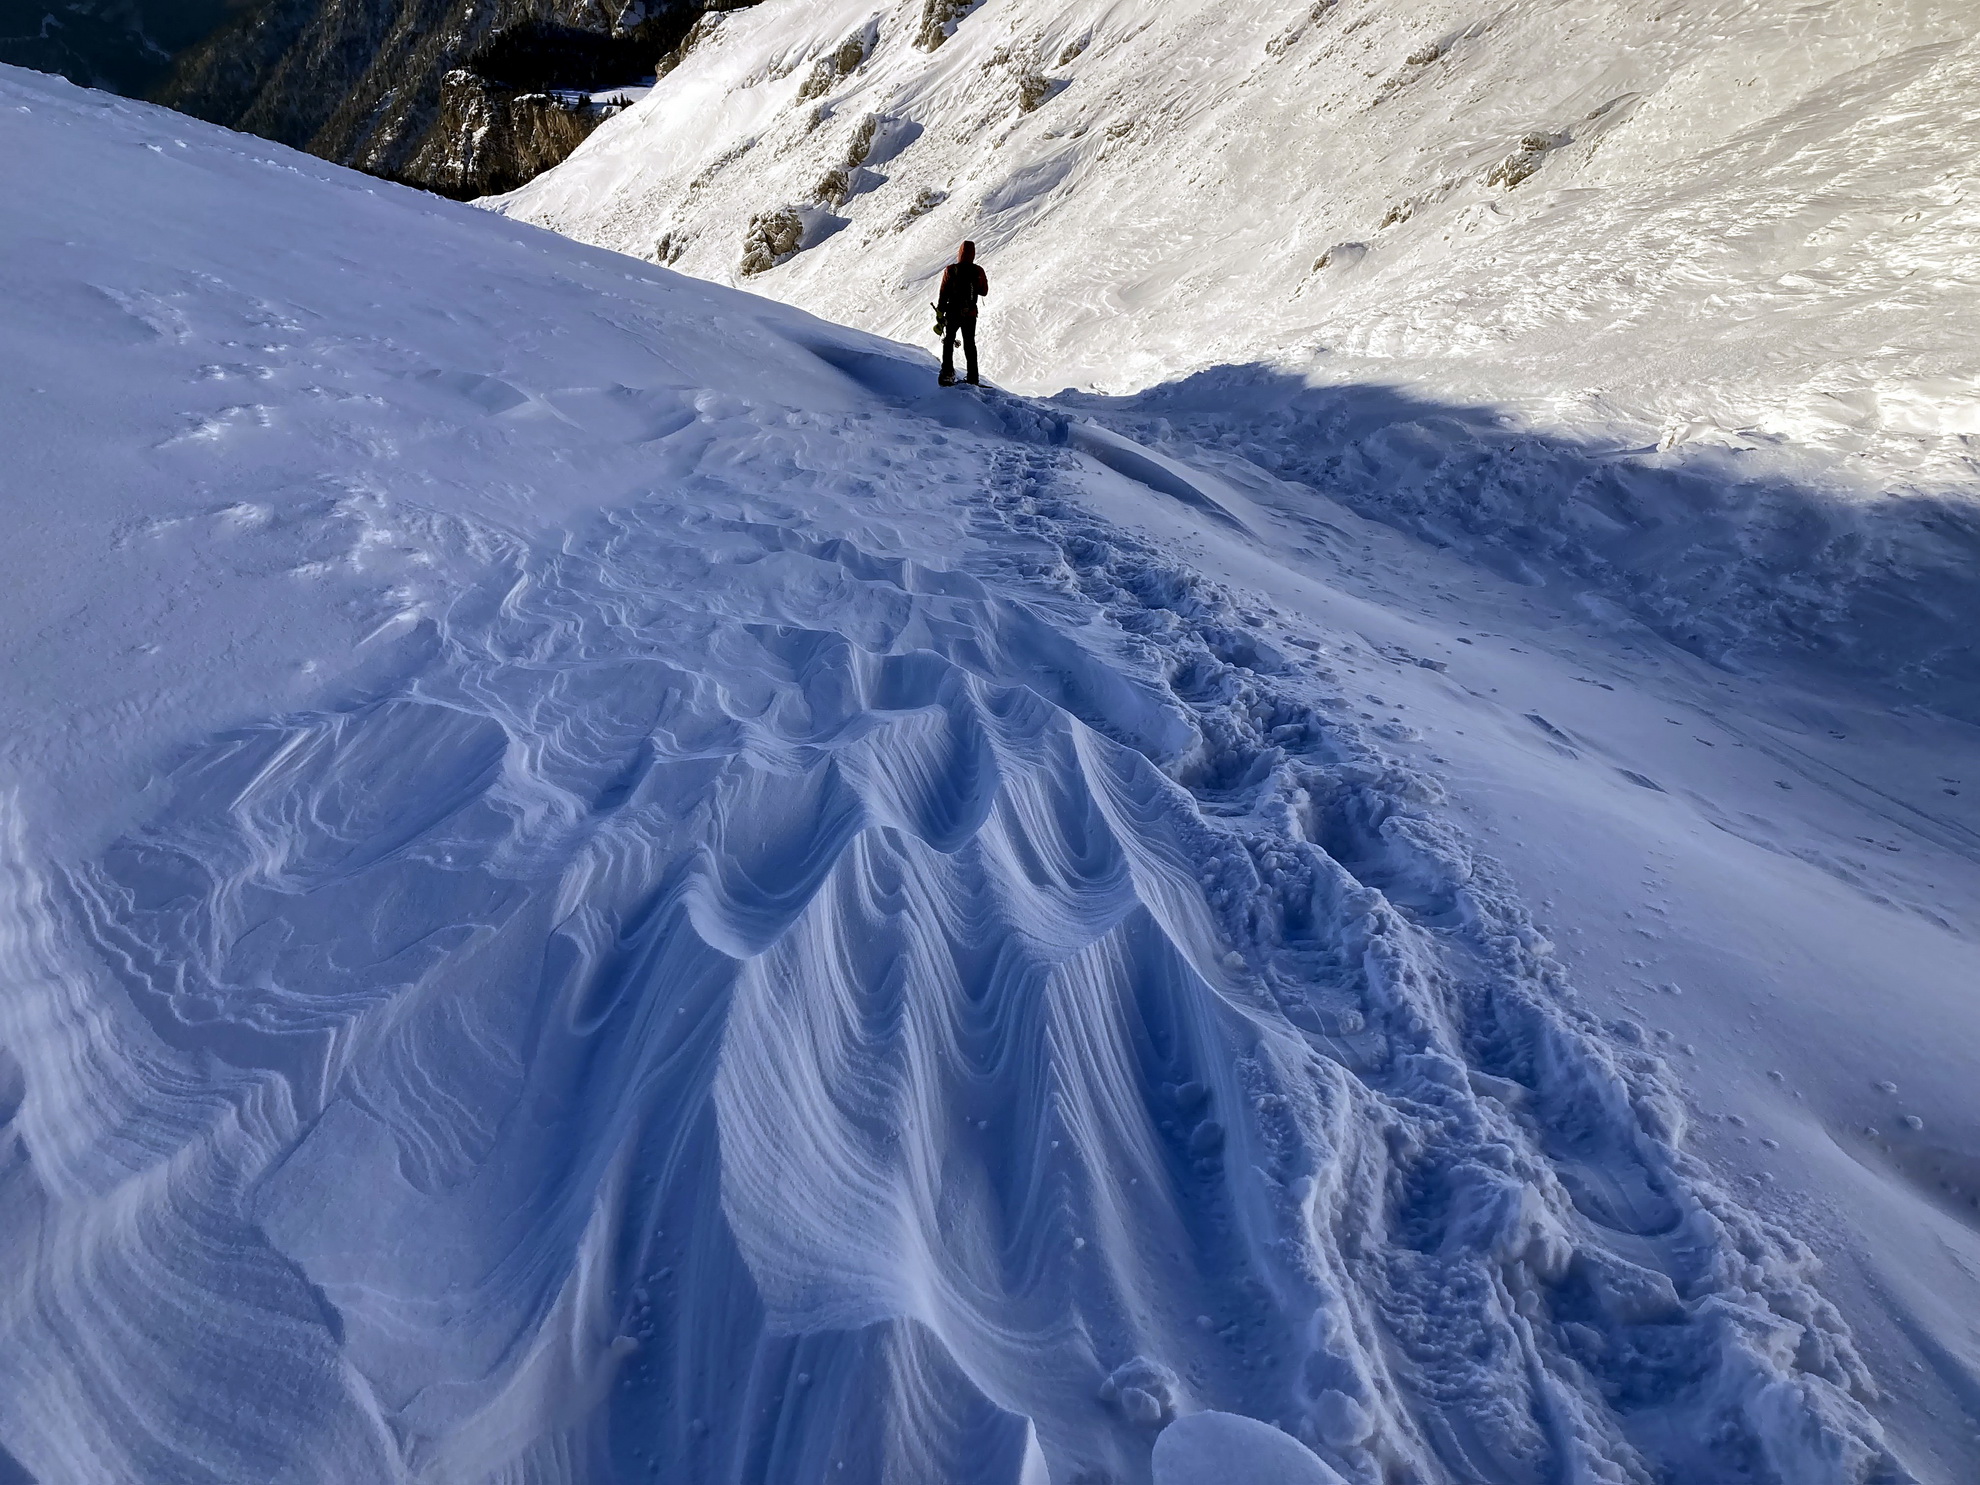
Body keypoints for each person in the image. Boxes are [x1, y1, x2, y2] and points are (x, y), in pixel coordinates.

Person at [937, 241, 988, 386]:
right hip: (970, 314)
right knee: (970, 345)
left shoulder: (951, 270)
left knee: (948, 342)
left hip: (952, 313)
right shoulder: (978, 271)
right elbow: (984, 291)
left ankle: (947, 374)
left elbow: (943, 293)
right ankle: (973, 378)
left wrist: (940, 313)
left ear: (959, 253)